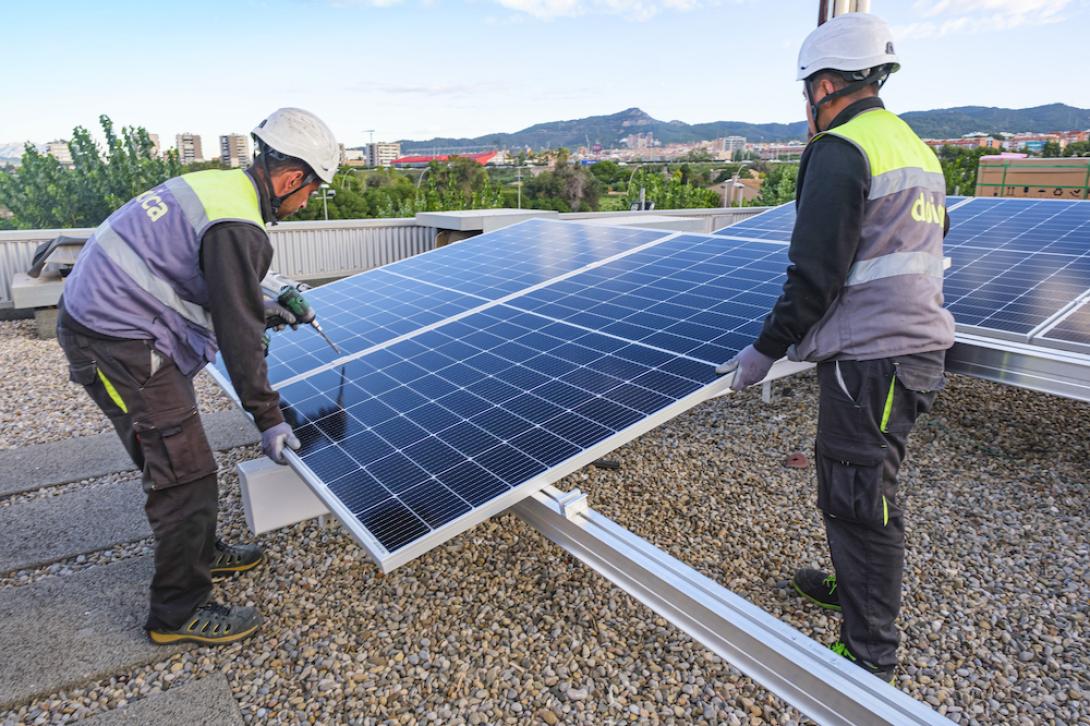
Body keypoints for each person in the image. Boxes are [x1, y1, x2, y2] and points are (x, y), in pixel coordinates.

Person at [715, 13, 953, 683]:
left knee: (861, 496)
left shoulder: (842, 149)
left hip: (875, 358)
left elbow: (815, 271)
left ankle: (869, 652)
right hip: (903, 353)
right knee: (853, 482)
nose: (806, 108)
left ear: (824, 86)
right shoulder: (911, 146)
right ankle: (852, 600)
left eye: (805, 94)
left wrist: (767, 348)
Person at [56, 108, 339, 645]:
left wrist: (269, 296)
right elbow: (239, 334)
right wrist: (269, 417)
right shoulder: (238, 223)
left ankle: (201, 551)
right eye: (311, 191)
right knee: (185, 474)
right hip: (118, 343)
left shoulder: (220, 188)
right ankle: (176, 612)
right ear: (290, 178)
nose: (306, 204)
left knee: (175, 455)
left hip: (114, 325)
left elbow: (210, 274)